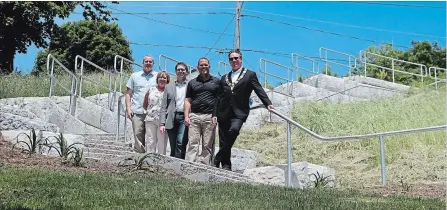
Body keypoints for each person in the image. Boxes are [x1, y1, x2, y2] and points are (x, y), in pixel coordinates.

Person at [213, 49, 274, 171]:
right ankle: (226, 165)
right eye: (231, 59)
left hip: (239, 112)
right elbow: (218, 97)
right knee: (223, 138)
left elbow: (259, 89)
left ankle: (217, 157)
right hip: (223, 112)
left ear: (241, 59)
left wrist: (268, 103)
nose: (234, 61)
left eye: (236, 58)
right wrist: (214, 114)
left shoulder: (250, 74)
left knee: (234, 130)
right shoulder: (224, 77)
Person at [184, 57, 220, 165]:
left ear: (209, 66)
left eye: (206, 65)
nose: (204, 67)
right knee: (192, 143)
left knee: (207, 145)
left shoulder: (217, 82)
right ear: (197, 67)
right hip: (194, 116)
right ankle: (189, 165)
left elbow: (219, 100)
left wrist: (216, 115)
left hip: (209, 117)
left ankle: (204, 167)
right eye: (201, 65)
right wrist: (186, 116)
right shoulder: (192, 82)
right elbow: (187, 100)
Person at [125, 55, 158, 153]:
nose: (148, 63)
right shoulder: (134, 76)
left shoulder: (157, 76)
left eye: (150, 62)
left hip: (152, 113)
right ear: (142, 63)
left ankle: (149, 157)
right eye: (146, 61)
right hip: (137, 111)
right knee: (138, 135)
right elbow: (128, 94)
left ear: (153, 64)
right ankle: (139, 157)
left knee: (151, 137)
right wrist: (128, 109)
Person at [159, 62, 189, 159]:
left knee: (180, 141)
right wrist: (162, 123)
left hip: (184, 117)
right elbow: (164, 106)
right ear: (176, 72)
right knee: (173, 143)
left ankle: (180, 163)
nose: (180, 71)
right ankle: (173, 163)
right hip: (171, 117)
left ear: (186, 72)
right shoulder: (169, 87)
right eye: (178, 69)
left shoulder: (190, 85)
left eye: (183, 69)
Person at [143, 71, 170, 154]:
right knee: (150, 142)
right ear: (157, 79)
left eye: (164, 78)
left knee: (162, 143)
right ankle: (149, 162)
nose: (162, 79)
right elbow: (145, 104)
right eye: (160, 77)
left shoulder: (169, 91)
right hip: (150, 120)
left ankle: (161, 163)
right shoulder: (151, 90)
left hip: (163, 122)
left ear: (167, 80)